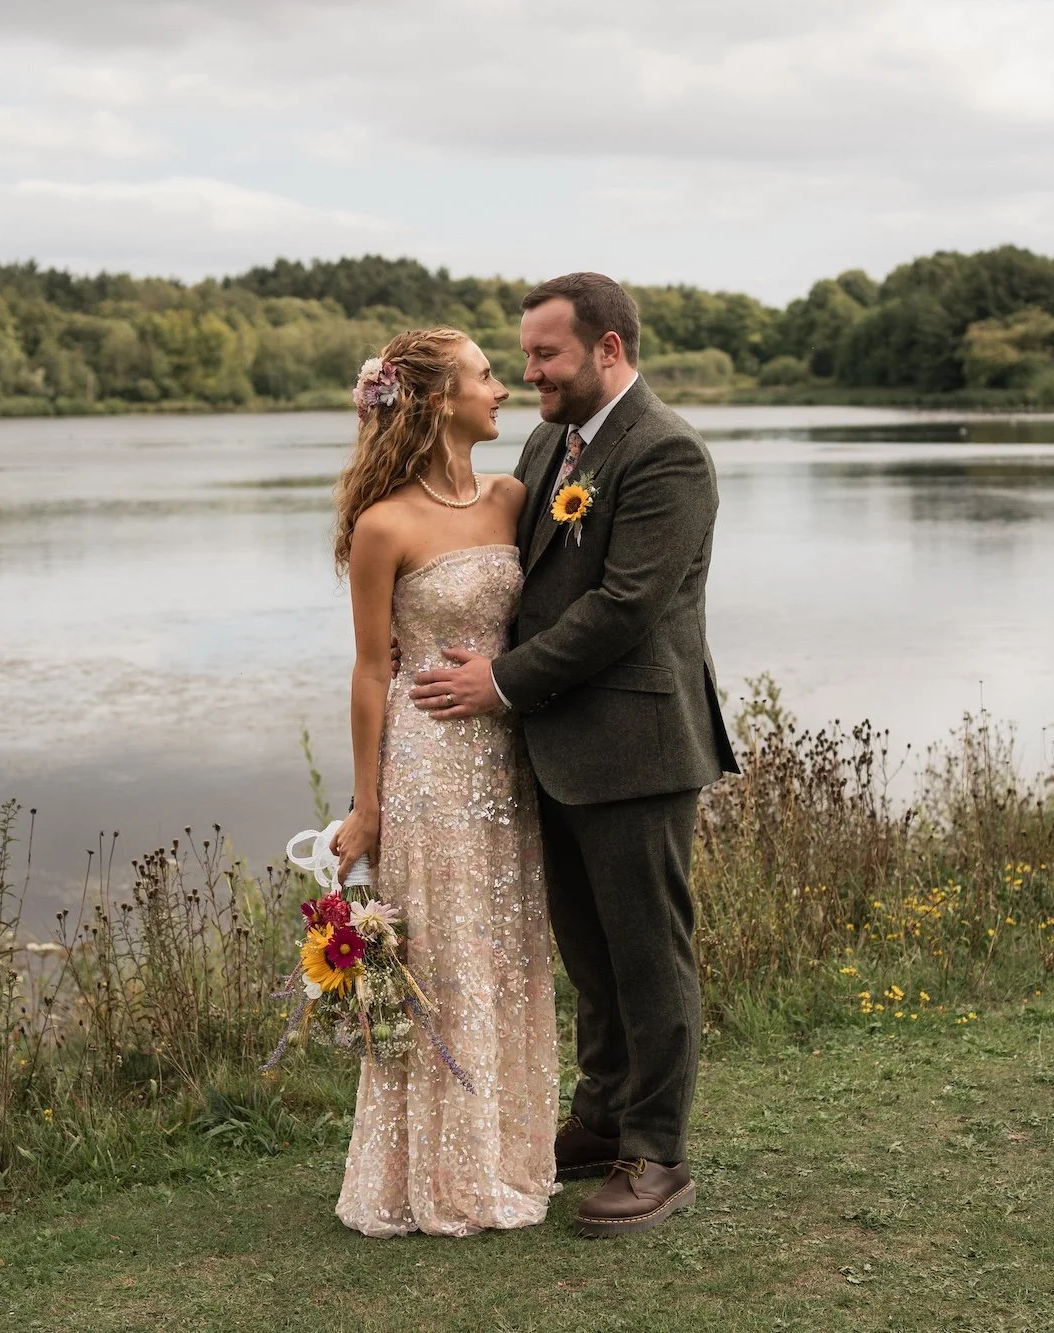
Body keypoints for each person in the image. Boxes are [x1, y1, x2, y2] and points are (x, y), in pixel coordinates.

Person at [408, 273, 738, 1237]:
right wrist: (420, 628)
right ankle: (598, 1121)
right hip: (555, 746)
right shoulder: (552, 439)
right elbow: (523, 574)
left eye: (546, 354)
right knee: (591, 954)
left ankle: (657, 1153)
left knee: (648, 956)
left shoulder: (668, 453)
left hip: (637, 744)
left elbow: (625, 607)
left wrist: (500, 682)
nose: (529, 372)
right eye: (525, 356)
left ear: (608, 349)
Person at [327, 327, 558, 1237]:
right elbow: (370, 671)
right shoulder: (385, 523)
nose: (502, 388)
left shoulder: (516, 498)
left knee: (506, 953)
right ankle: (433, 1173)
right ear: (433, 399)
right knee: (445, 959)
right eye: (486, 375)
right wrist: (366, 806)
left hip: (508, 762)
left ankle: (508, 1155)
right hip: (427, 769)